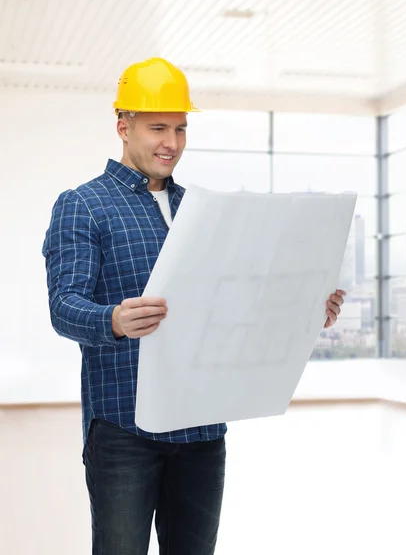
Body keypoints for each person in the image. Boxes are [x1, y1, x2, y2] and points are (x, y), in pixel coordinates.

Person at [42, 57, 346, 555]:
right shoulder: (83, 204)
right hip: (124, 428)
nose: (172, 142)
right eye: (158, 127)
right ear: (123, 126)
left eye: (181, 128)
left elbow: (241, 298)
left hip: (202, 428)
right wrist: (113, 320)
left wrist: (309, 307)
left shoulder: (202, 209)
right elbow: (63, 307)